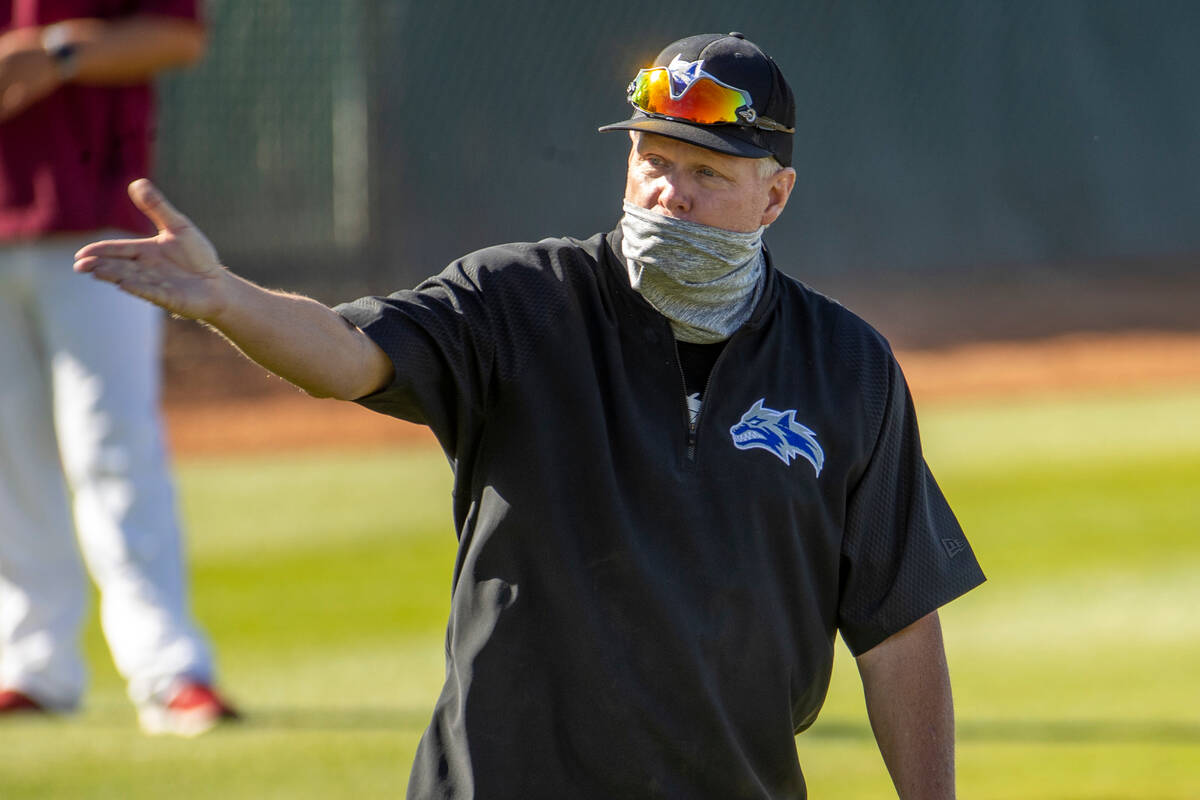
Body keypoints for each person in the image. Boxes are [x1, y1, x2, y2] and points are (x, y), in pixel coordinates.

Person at [75, 31, 985, 797]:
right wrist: (230, 300)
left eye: (706, 172)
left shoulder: (846, 366)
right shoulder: (519, 301)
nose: (670, 192)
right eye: (652, 162)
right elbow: (349, 356)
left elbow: (897, 627)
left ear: (775, 196)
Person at [0, 2, 236, 736]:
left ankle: (170, 671)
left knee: (114, 447)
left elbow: (179, 32)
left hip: (97, 212)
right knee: (8, 458)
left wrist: (56, 52)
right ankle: (32, 666)